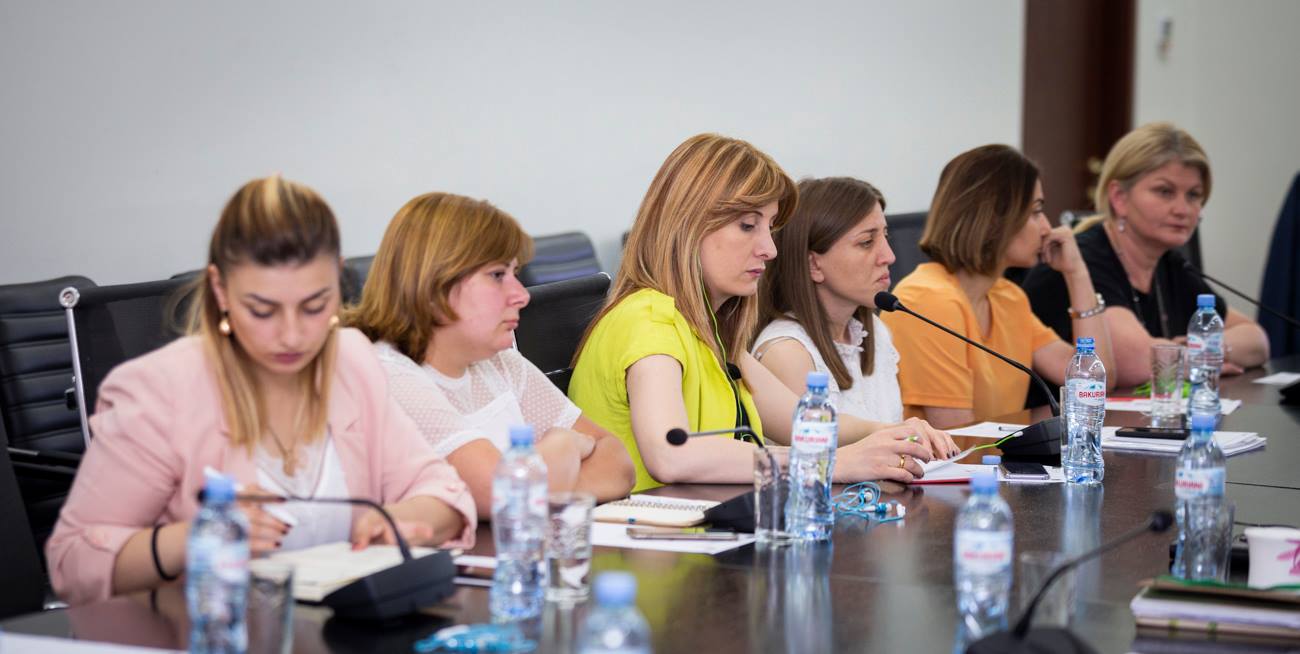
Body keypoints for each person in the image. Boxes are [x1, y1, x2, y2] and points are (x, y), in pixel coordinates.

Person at [46, 176, 475, 606]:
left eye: (314, 306)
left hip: (340, 627)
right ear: (220, 289)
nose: (292, 335)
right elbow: (72, 561)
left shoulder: (349, 360)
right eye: (263, 310)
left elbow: (442, 490)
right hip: (207, 629)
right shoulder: (159, 390)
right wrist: (196, 539)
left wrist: (401, 520)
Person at [569, 133, 939, 493]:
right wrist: (831, 463)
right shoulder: (648, 320)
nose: (769, 249)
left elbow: (799, 423)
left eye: (770, 227)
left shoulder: (708, 330)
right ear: (688, 225)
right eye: (748, 225)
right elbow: (671, 454)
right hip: (640, 534)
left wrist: (888, 434)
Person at [344, 192, 635, 517]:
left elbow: (618, 464)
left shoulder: (499, 363)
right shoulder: (391, 376)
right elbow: (499, 492)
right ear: (434, 281)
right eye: (498, 275)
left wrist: (537, 487)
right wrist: (564, 445)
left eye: (515, 274)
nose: (521, 295)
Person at [882, 145, 1116, 429]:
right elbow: (958, 437)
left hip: (992, 453)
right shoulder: (928, 299)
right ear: (994, 219)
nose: (1047, 228)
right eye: (1035, 212)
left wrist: (1076, 272)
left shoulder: (1008, 296)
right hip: (947, 457)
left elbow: (1092, 381)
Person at [1022, 123, 1269, 386]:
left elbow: (1257, 340)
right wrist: (1202, 356)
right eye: (1165, 192)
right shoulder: (1080, 260)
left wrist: (1201, 351)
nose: (1183, 209)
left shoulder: (1170, 264)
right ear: (1119, 197)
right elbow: (1136, 363)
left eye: (1193, 195)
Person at [754, 176, 956, 450]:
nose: (889, 256)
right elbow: (812, 462)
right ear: (814, 265)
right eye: (866, 242)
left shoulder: (873, 332)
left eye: (885, 236)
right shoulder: (787, 352)